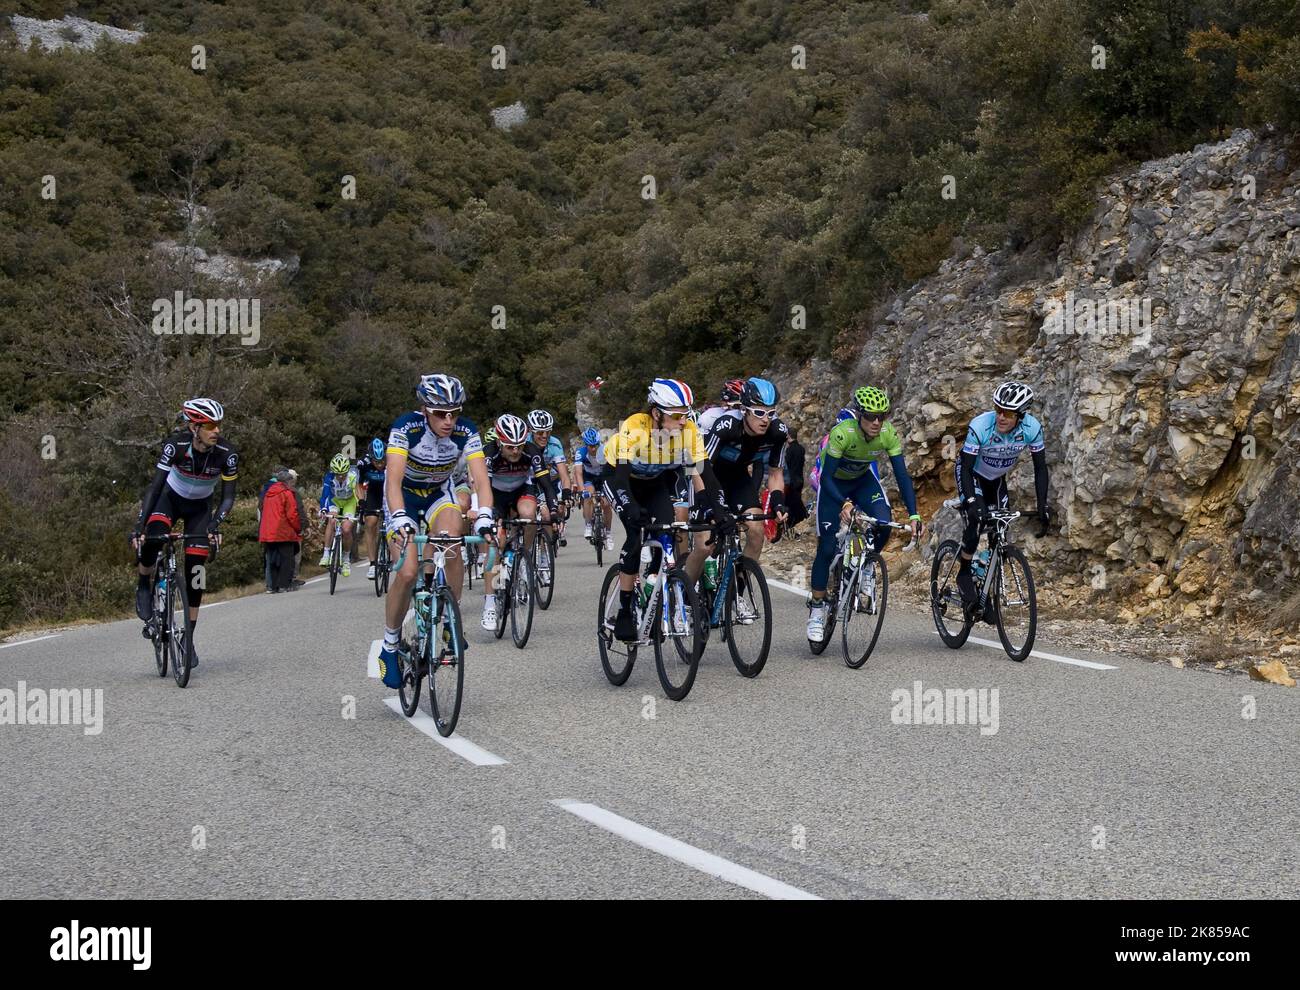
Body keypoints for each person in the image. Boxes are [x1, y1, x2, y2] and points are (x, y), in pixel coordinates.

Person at [377, 374, 493, 689]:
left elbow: (481, 479)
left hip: (439, 494)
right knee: (407, 571)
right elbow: (394, 480)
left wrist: (484, 515)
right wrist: (399, 517)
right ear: (425, 410)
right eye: (441, 414)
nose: (449, 420)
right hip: (404, 496)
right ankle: (390, 644)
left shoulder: (466, 430)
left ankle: (448, 622)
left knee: (453, 538)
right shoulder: (406, 428)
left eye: (454, 413)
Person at [604, 378, 734, 642]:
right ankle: (626, 609)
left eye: (686, 415)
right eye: (676, 416)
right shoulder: (635, 427)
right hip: (622, 480)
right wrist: (630, 507)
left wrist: (721, 512)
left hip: (654, 483)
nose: (683, 421)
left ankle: (656, 594)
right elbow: (620, 479)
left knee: (668, 531)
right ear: (656, 413)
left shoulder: (688, 431)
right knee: (635, 534)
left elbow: (706, 475)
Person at [806, 387, 924, 643]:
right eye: (871, 416)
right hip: (834, 486)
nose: (877, 422)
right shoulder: (842, 434)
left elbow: (902, 476)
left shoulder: (887, 433)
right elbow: (825, 478)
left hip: (862, 482)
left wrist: (915, 515)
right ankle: (817, 608)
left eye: (882, 416)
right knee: (826, 549)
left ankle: (867, 564)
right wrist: (844, 504)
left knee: (883, 521)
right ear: (859, 415)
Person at [131, 398, 238, 669]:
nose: (216, 431)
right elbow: (155, 488)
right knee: (154, 538)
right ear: (193, 427)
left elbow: (227, 498)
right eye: (210, 425)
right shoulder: (175, 446)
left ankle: (188, 637)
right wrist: (139, 525)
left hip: (200, 509)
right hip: (169, 499)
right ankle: (144, 583)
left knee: (196, 571)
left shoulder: (227, 453)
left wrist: (215, 525)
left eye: (218, 425)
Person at [955, 381, 1050, 604]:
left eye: (1007, 412)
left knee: (1000, 531)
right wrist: (971, 501)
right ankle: (965, 571)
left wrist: (1042, 505)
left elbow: (1040, 468)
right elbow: (966, 469)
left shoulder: (1032, 428)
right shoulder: (980, 426)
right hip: (972, 474)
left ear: (1021, 415)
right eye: (998, 410)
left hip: (997, 479)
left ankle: (987, 589)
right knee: (976, 520)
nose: (1001, 416)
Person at [480, 413, 560, 629]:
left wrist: (553, 512)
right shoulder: (489, 453)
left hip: (520, 491)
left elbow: (545, 483)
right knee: (496, 543)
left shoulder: (531, 451)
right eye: (509, 447)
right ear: (499, 442)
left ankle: (523, 559)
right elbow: (482, 488)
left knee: (529, 514)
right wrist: (485, 515)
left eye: (519, 446)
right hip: (495, 495)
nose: (515, 451)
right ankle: (489, 602)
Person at [703, 376, 790, 570]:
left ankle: (738, 592)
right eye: (759, 413)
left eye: (771, 413)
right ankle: (687, 594)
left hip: (737, 477)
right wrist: (717, 508)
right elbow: (701, 467)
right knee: (703, 544)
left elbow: (776, 474)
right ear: (743, 410)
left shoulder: (778, 432)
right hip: (709, 476)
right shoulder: (726, 426)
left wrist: (777, 501)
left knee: (757, 531)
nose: (766, 419)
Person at [317, 453, 361, 577]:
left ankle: (346, 559)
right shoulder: (329, 477)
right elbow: (325, 495)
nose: (341, 476)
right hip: (335, 501)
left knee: (346, 530)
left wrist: (360, 507)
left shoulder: (352, 477)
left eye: (343, 474)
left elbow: (357, 494)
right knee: (332, 521)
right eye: (338, 474)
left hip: (349, 503)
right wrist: (324, 509)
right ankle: (326, 554)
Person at [259, 467, 301, 591]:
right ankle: (284, 585)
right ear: (286, 481)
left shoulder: (268, 493)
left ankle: (273, 586)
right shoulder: (287, 494)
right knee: (287, 559)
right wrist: (298, 528)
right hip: (283, 531)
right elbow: (292, 515)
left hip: (268, 532)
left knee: (272, 559)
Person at [573, 426, 614, 548]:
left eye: (596, 445)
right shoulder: (581, 453)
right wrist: (582, 491)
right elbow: (578, 473)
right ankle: (588, 525)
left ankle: (608, 533)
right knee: (588, 496)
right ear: (586, 445)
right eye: (591, 446)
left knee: (606, 504)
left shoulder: (605, 450)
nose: (594, 448)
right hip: (588, 478)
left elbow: (612, 470)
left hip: (602, 477)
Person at [358, 437, 387, 579]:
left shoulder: (393, 460)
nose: (380, 465)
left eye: (382, 461)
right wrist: (362, 503)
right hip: (374, 493)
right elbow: (359, 485)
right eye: (377, 462)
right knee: (370, 523)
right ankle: (372, 564)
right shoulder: (364, 464)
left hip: (389, 491)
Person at [784, 429, 808, 531]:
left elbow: (786, 465)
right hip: (800, 479)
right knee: (796, 500)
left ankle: (799, 518)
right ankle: (802, 516)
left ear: (788, 436)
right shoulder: (801, 448)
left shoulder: (790, 450)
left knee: (791, 503)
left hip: (792, 480)